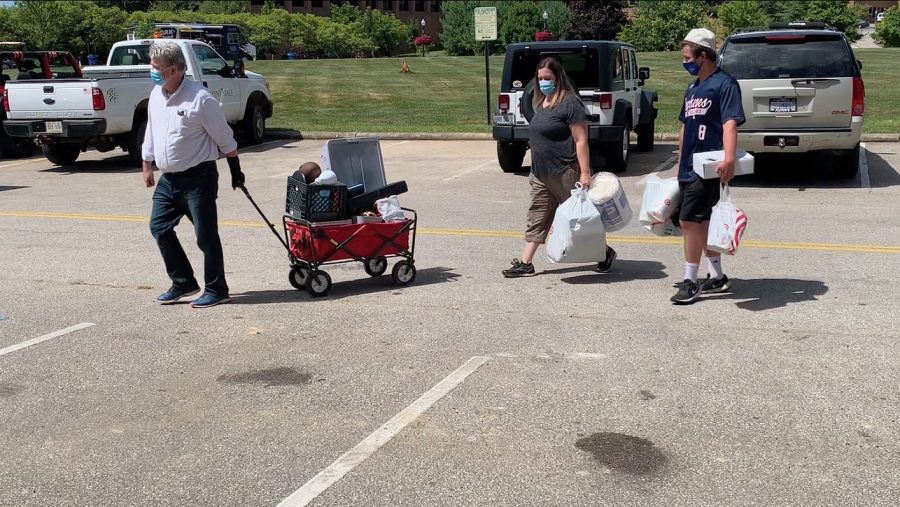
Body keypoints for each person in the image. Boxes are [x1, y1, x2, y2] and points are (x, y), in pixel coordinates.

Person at [141, 41, 246, 308]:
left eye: (156, 67)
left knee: (205, 235)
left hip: (199, 178)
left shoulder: (200, 99)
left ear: (173, 70)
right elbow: (152, 130)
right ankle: (183, 282)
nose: (151, 71)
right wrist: (147, 162)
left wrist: (236, 170)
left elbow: (224, 137)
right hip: (169, 180)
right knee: (159, 227)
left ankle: (217, 289)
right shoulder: (156, 93)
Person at [502, 57, 616, 278]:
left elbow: (581, 140)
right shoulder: (540, 103)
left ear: (558, 78)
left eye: (548, 78)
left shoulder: (570, 103)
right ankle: (526, 263)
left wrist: (584, 172)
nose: (543, 82)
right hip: (540, 173)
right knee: (537, 216)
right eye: (540, 78)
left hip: (565, 172)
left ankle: (606, 252)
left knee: (580, 221)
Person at [670, 28, 746, 305]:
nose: (685, 61)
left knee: (689, 221)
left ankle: (690, 281)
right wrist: (679, 160)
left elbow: (729, 123)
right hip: (689, 165)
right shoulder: (692, 88)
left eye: (688, 56)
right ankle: (717, 276)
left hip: (709, 166)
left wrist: (728, 158)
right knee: (701, 222)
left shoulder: (724, 84)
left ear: (704, 55)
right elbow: (684, 126)